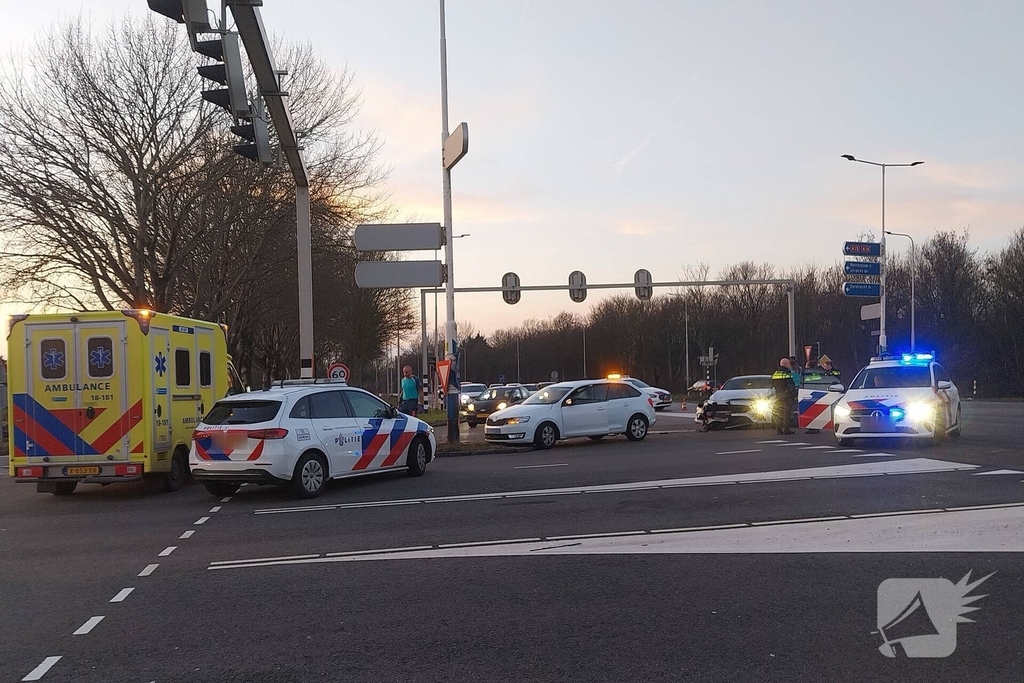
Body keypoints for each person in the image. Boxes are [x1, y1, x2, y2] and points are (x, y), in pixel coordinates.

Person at [771, 358, 796, 435]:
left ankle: (778, 429)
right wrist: (794, 395)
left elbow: (773, 385)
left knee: (778, 413)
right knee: (786, 413)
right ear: (786, 364)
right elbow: (791, 386)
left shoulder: (775, 374)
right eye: (788, 364)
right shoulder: (786, 374)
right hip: (786, 396)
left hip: (778, 396)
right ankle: (786, 429)